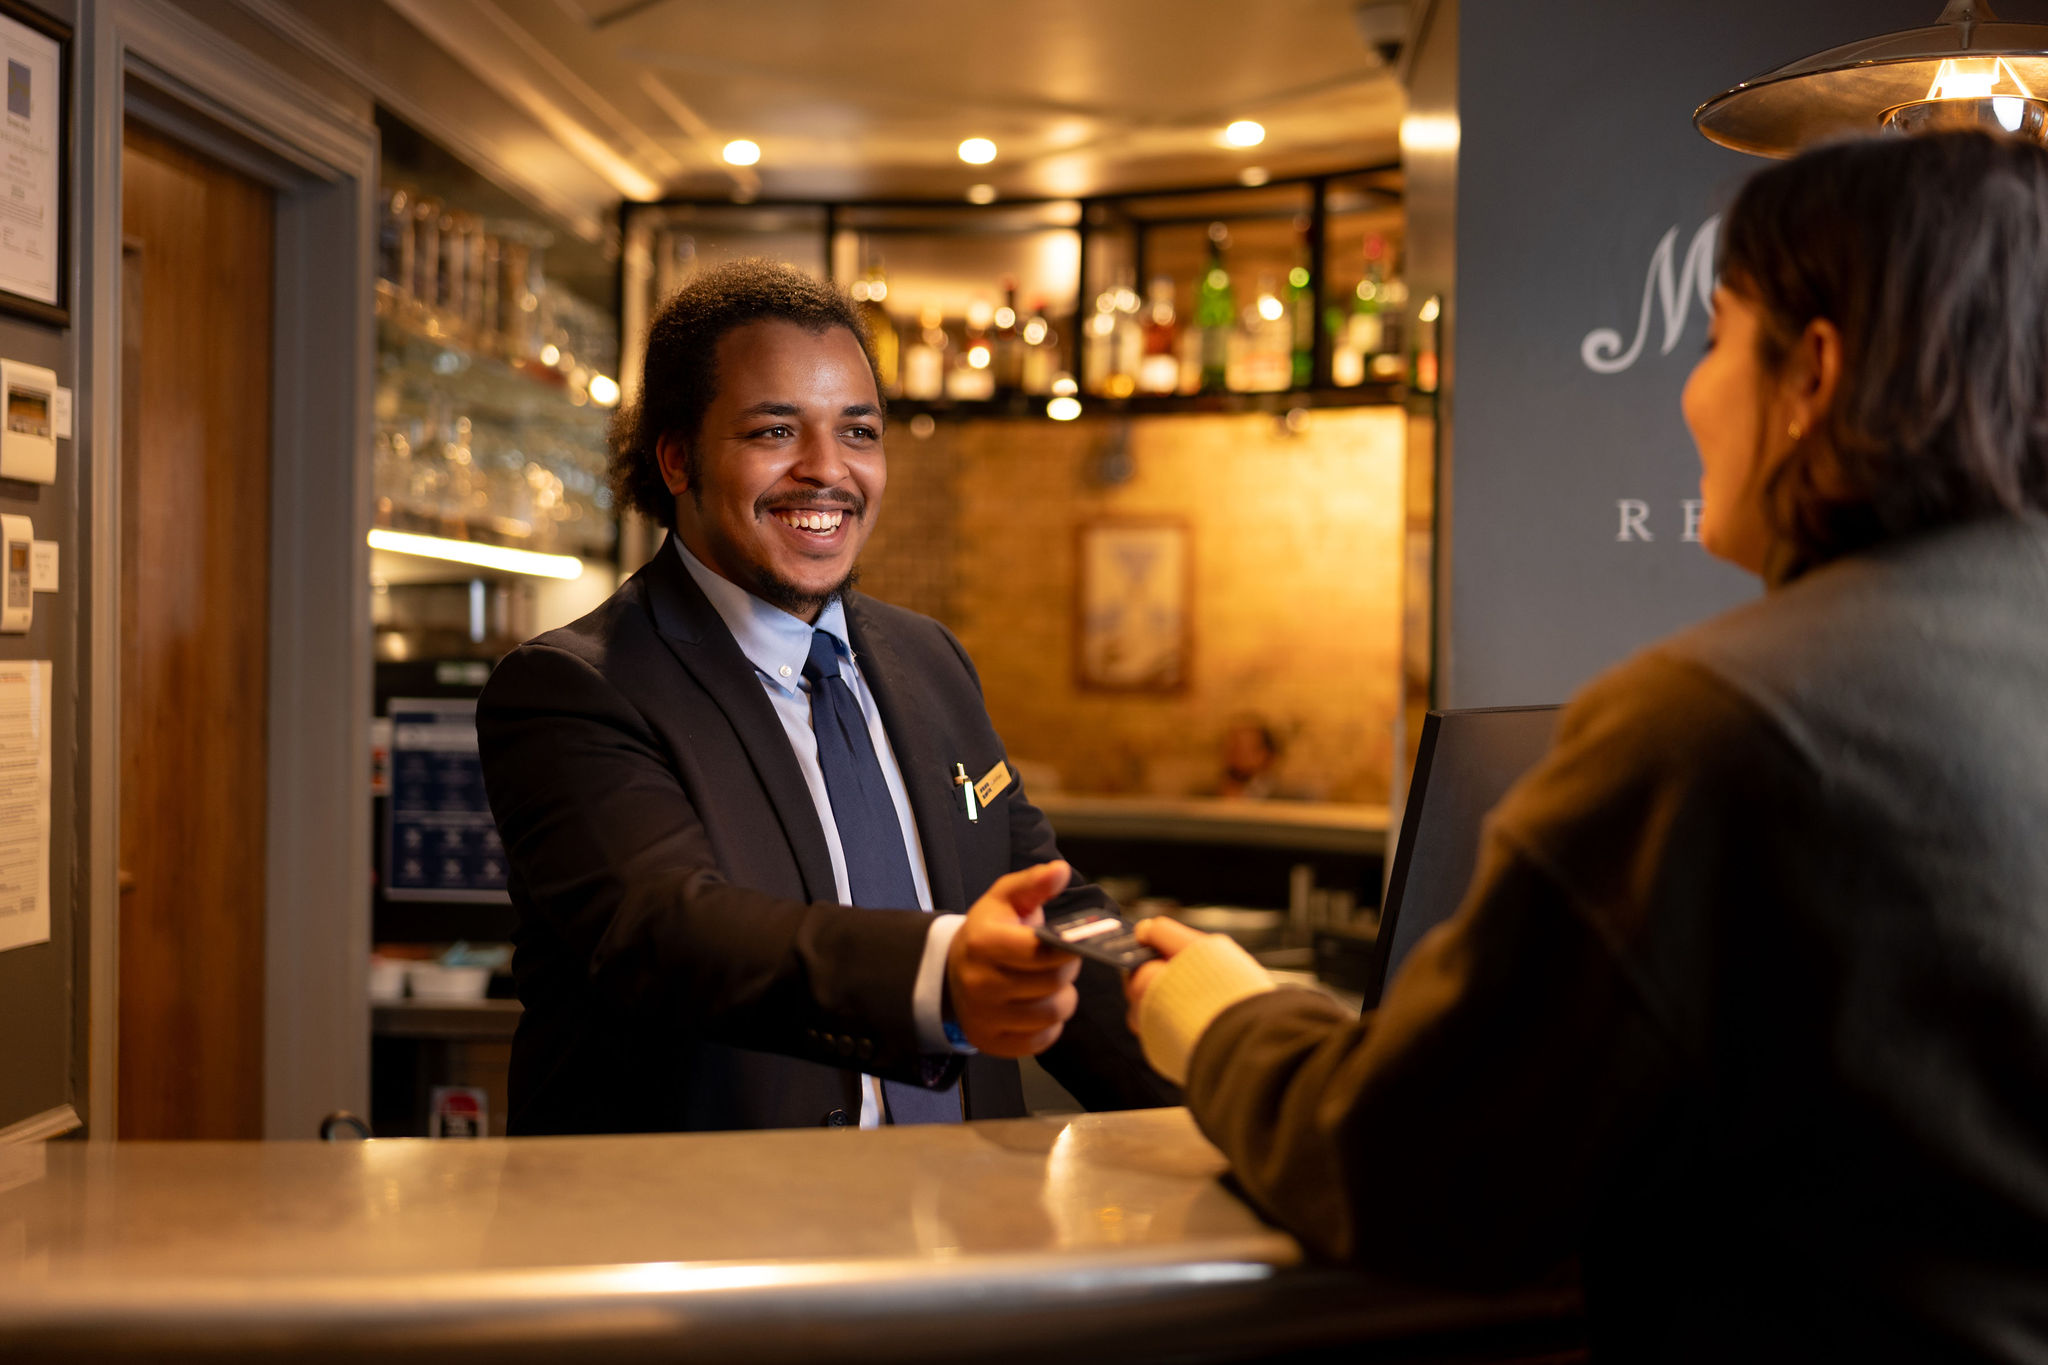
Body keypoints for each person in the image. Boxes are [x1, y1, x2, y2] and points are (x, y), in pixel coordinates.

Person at [1125, 131, 2048, 1360]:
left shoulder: (1723, 718)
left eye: (1713, 337)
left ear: (1812, 375)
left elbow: (1415, 1171)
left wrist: (1222, 1023)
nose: (1688, 393)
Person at [479, 259, 1175, 1134]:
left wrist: (1233, 1070)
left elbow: (1047, 910)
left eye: (859, 431)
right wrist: (941, 973)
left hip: (963, 1204)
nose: (827, 470)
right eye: (775, 431)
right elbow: (669, 936)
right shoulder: (574, 689)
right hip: (715, 1215)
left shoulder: (930, 660)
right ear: (677, 458)